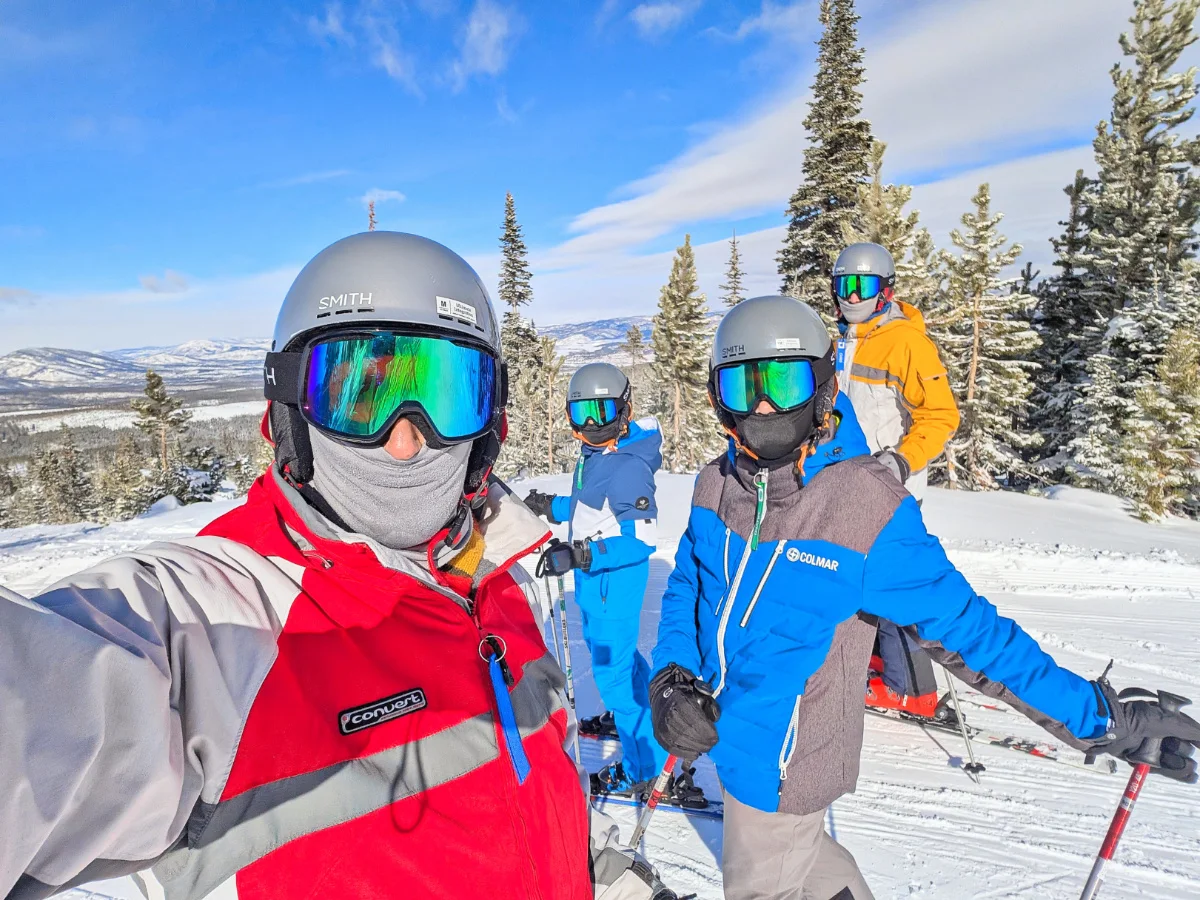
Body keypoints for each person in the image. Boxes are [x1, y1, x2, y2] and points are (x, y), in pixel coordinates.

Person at [0, 232, 678, 900]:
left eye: (443, 395)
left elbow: (530, 788)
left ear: (488, 421)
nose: (407, 442)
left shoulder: (500, 581)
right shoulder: (219, 621)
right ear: (293, 409)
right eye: (361, 397)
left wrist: (603, 878)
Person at [649, 294, 1199, 900]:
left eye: (784, 380)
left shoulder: (865, 507)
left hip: (781, 771)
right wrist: (673, 674)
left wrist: (1098, 719)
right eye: (742, 386)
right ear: (713, 397)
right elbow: (690, 583)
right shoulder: (714, 484)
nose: (763, 406)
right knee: (815, 867)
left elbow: (974, 635)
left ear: (825, 385)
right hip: (726, 739)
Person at [525, 364, 701, 806]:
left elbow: (639, 539)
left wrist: (581, 555)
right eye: (581, 412)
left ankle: (642, 769)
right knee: (624, 666)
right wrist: (552, 506)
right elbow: (592, 506)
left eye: (601, 411)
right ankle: (644, 720)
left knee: (613, 676)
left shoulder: (625, 466)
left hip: (612, 587)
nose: (590, 424)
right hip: (597, 586)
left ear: (623, 409)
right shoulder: (599, 454)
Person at [832, 242, 961, 721]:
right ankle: (877, 661)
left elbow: (942, 414)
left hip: (889, 486)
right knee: (849, 578)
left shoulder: (905, 341)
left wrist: (901, 461)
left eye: (862, 286)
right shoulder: (844, 340)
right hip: (845, 484)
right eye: (844, 285)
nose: (852, 296)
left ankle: (913, 689)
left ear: (885, 289)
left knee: (890, 583)